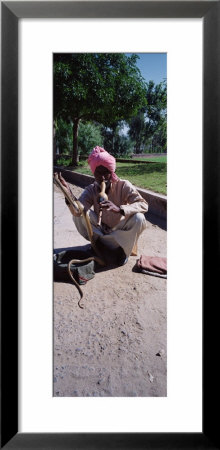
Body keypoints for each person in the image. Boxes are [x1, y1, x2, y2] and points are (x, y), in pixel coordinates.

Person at [58, 146, 148, 265]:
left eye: (107, 173)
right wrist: (68, 193)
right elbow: (77, 210)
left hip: (119, 234)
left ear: (112, 172)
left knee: (139, 218)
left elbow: (143, 204)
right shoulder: (91, 189)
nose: (103, 177)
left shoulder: (124, 185)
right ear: (93, 172)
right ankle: (99, 245)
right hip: (100, 233)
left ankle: (122, 252)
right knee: (79, 214)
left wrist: (120, 209)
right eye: (99, 173)